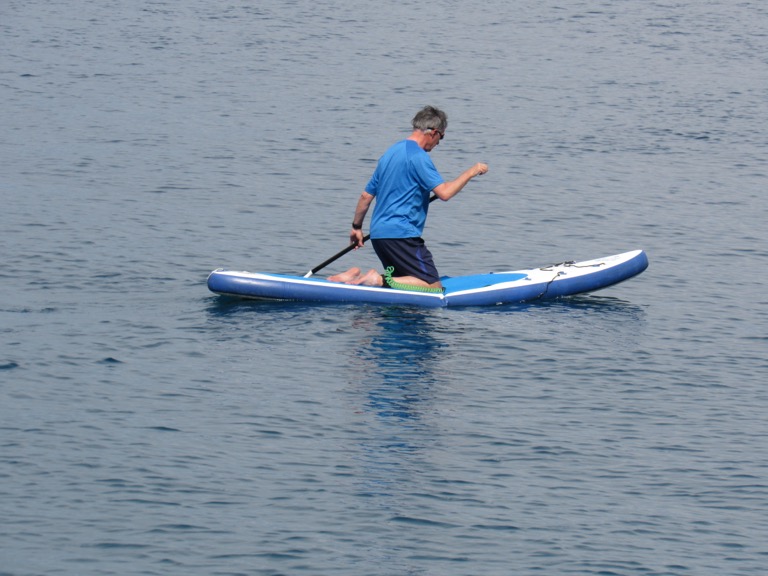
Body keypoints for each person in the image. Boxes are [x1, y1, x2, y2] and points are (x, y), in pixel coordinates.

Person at [328, 106, 488, 290]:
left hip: (380, 235)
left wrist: (356, 227)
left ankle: (352, 276)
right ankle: (374, 279)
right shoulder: (418, 156)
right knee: (432, 285)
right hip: (402, 236)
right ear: (434, 133)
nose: (438, 144)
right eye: (441, 137)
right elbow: (444, 193)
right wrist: (472, 171)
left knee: (404, 282)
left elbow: (366, 196)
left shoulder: (389, 153)